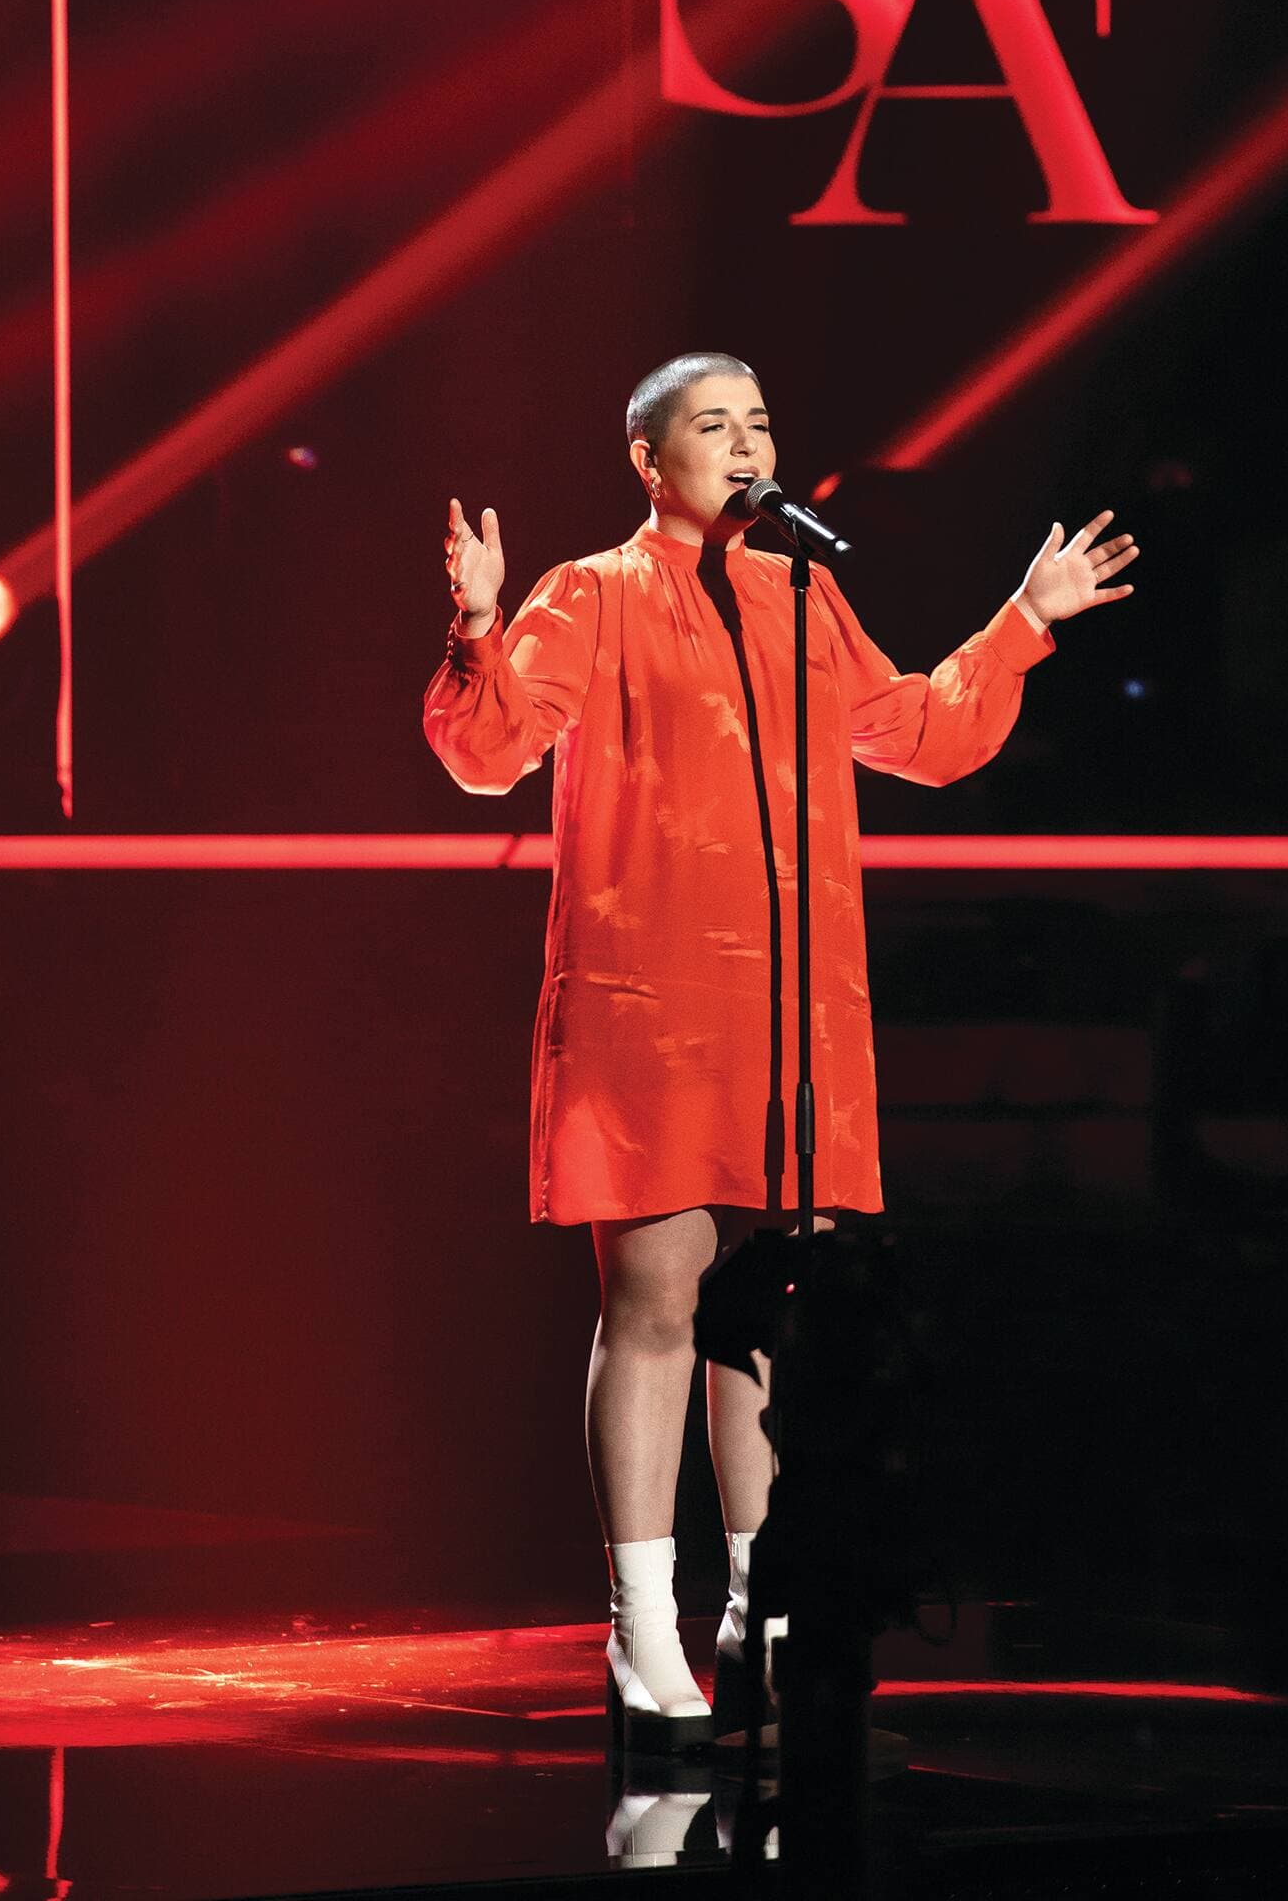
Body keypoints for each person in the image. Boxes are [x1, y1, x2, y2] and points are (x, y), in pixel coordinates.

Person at [422, 351, 1136, 1749]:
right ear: (650, 459)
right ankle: (641, 1625)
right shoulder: (590, 593)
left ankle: (767, 1610)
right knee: (656, 1305)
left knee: (772, 1313)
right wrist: (477, 622)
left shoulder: (801, 594)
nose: (746, 444)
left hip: (790, 1009)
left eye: (758, 421)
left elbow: (918, 735)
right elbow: (486, 749)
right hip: (648, 1001)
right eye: (714, 424)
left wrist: (1021, 624)